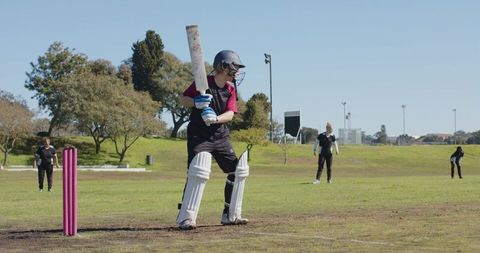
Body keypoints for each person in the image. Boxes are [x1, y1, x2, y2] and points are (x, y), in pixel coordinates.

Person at [176, 50, 250, 230]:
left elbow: (231, 114)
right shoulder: (203, 84)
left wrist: (215, 119)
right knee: (198, 170)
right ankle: (186, 217)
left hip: (220, 135)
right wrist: (196, 102)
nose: (237, 72)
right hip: (199, 135)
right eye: (235, 67)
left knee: (237, 171)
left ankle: (230, 215)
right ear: (223, 66)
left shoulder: (231, 89)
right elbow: (182, 99)